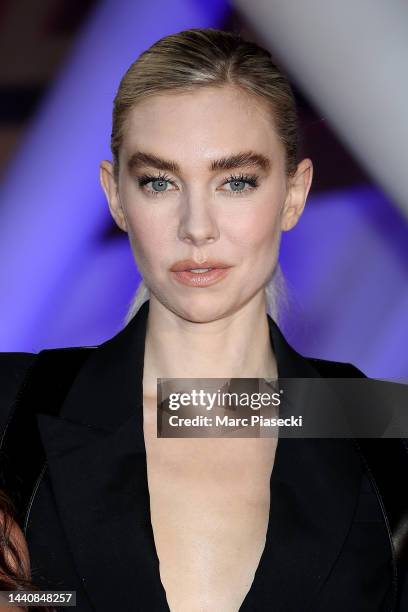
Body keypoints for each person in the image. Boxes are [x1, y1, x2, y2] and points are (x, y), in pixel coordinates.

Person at [0, 27, 407, 611]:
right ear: (116, 196)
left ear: (294, 193)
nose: (197, 226)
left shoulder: (386, 426)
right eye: (159, 182)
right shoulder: (13, 410)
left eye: (236, 181)